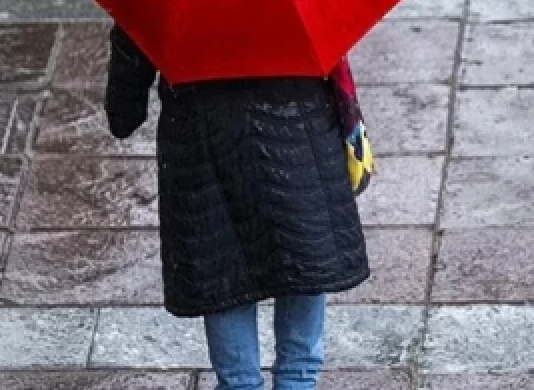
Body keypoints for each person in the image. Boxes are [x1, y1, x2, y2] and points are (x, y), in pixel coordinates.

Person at [104, 25, 371, 390]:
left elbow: (124, 113)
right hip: (298, 132)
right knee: (304, 257)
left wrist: (125, 103)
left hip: (203, 148)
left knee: (223, 266)